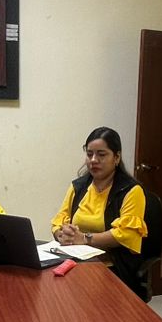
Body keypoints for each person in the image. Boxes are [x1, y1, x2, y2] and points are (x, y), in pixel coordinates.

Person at [51, 127, 150, 296]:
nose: (93, 160)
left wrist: (84, 238)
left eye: (101, 155)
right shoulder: (78, 187)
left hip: (112, 267)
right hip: (76, 262)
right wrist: (61, 234)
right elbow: (60, 220)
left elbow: (125, 234)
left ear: (116, 157)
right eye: (89, 154)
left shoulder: (131, 191)